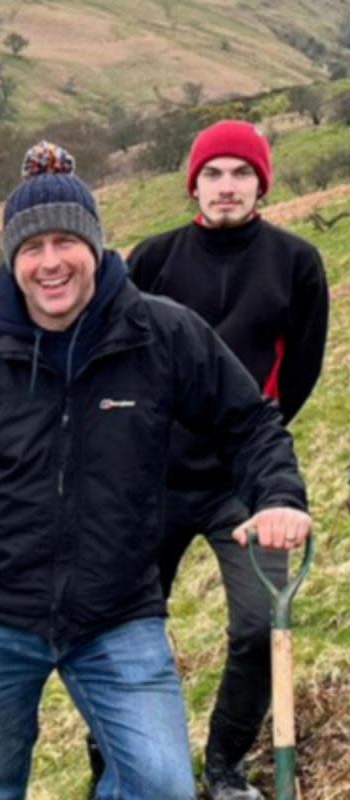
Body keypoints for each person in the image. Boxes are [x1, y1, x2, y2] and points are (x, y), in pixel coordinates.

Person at [0, 142, 311, 800]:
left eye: (67, 242)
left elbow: (249, 421)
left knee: (163, 786)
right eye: (32, 247)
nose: (50, 262)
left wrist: (279, 495)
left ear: (95, 246)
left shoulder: (163, 334)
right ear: (12, 259)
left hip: (118, 616)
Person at [118, 119, 329, 799]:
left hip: (244, 483)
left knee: (258, 625)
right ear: (193, 185)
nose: (227, 187)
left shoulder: (297, 263)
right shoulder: (152, 259)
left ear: (262, 182)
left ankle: (225, 767)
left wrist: (251, 442)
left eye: (242, 173)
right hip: (150, 477)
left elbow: (300, 369)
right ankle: (120, 761)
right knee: (119, 624)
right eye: (213, 173)